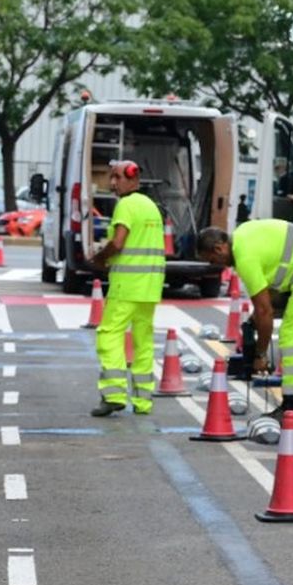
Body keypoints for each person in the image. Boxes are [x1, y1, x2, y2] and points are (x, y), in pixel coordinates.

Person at [198, 218, 293, 428]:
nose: (215, 266)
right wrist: (257, 318)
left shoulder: (245, 257)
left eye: (212, 260)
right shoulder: (242, 236)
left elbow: (265, 310)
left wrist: (260, 355)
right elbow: (269, 297)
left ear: (219, 248)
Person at [88, 159, 165, 417]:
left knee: (109, 334)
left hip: (127, 286)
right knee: (143, 342)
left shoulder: (126, 205)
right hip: (150, 287)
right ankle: (143, 402)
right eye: (112, 177)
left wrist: (100, 258)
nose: (112, 183)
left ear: (132, 178)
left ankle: (114, 394)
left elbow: (118, 242)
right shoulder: (151, 207)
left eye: (117, 177)